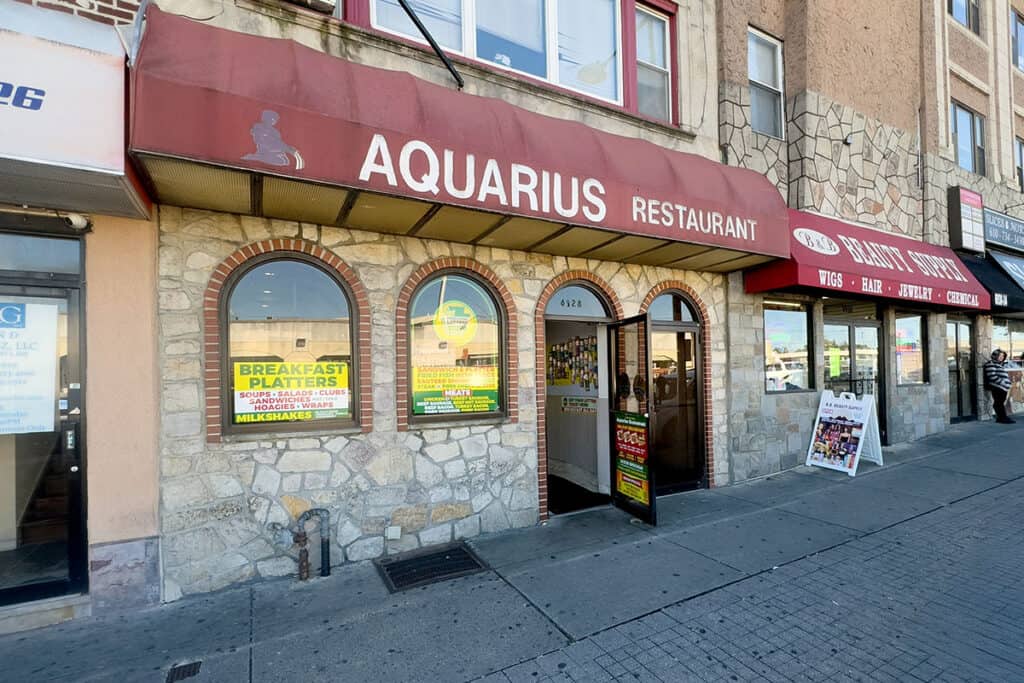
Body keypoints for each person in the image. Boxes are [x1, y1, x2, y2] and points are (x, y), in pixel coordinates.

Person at [983, 349, 1014, 424]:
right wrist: (1003, 383)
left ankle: (1002, 417)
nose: (1002, 357)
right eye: (1000, 356)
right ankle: (1002, 418)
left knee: (1000, 403)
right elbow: (992, 376)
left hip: (1002, 387)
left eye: (1003, 356)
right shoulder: (991, 364)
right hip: (997, 387)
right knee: (998, 403)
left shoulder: (999, 364)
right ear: (995, 356)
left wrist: (1007, 383)